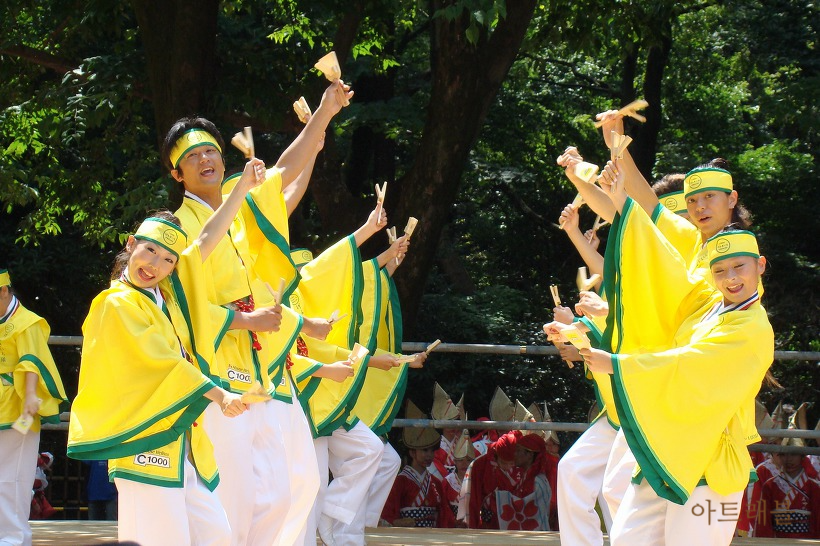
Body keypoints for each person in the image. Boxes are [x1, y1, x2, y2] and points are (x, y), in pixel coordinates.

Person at [163, 78, 352, 546]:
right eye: (192, 157)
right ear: (177, 175)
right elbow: (179, 300)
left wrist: (324, 115)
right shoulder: (173, 227)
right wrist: (245, 320)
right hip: (218, 359)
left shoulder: (241, 202)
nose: (205, 160)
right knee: (236, 491)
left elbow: (286, 172)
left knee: (298, 483)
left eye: (210, 151)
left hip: (266, 357)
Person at [68, 158, 272, 546]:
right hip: (143, 440)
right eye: (149, 251)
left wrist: (241, 188)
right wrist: (220, 393)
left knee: (216, 537)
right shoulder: (116, 303)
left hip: (178, 438)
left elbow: (206, 240)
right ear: (130, 245)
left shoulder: (169, 298)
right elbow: (163, 364)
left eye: (167, 260)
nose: (155, 264)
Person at [575, 160, 774, 545]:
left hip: (711, 463)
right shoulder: (704, 299)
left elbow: (690, 361)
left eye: (739, 268)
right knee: (624, 533)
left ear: (760, 266)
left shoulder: (750, 327)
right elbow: (661, 285)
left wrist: (617, 364)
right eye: (721, 271)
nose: (730, 277)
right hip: (668, 441)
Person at [0, 267, 68, 546]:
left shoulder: (27, 322)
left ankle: (13, 538)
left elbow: (31, 361)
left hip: (16, 409)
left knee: (11, 480)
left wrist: (30, 395)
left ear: (3, 291)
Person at [381, 401, 454, 528]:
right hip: (407, 535)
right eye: (425, 450)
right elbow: (389, 512)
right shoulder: (400, 481)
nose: (429, 455)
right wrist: (397, 522)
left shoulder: (435, 482)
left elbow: (444, 513)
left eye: (432, 451)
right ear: (412, 452)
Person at [463, 430, 521, 529]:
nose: (507, 467)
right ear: (496, 455)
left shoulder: (522, 465)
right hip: (488, 523)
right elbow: (473, 500)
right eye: (503, 463)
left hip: (515, 521)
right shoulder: (481, 465)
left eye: (511, 463)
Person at [443, 429, 475, 527]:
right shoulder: (448, 481)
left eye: (468, 460)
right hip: (453, 525)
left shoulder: (476, 481)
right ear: (455, 462)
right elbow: (444, 507)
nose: (464, 464)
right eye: (460, 460)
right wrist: (453, 521)